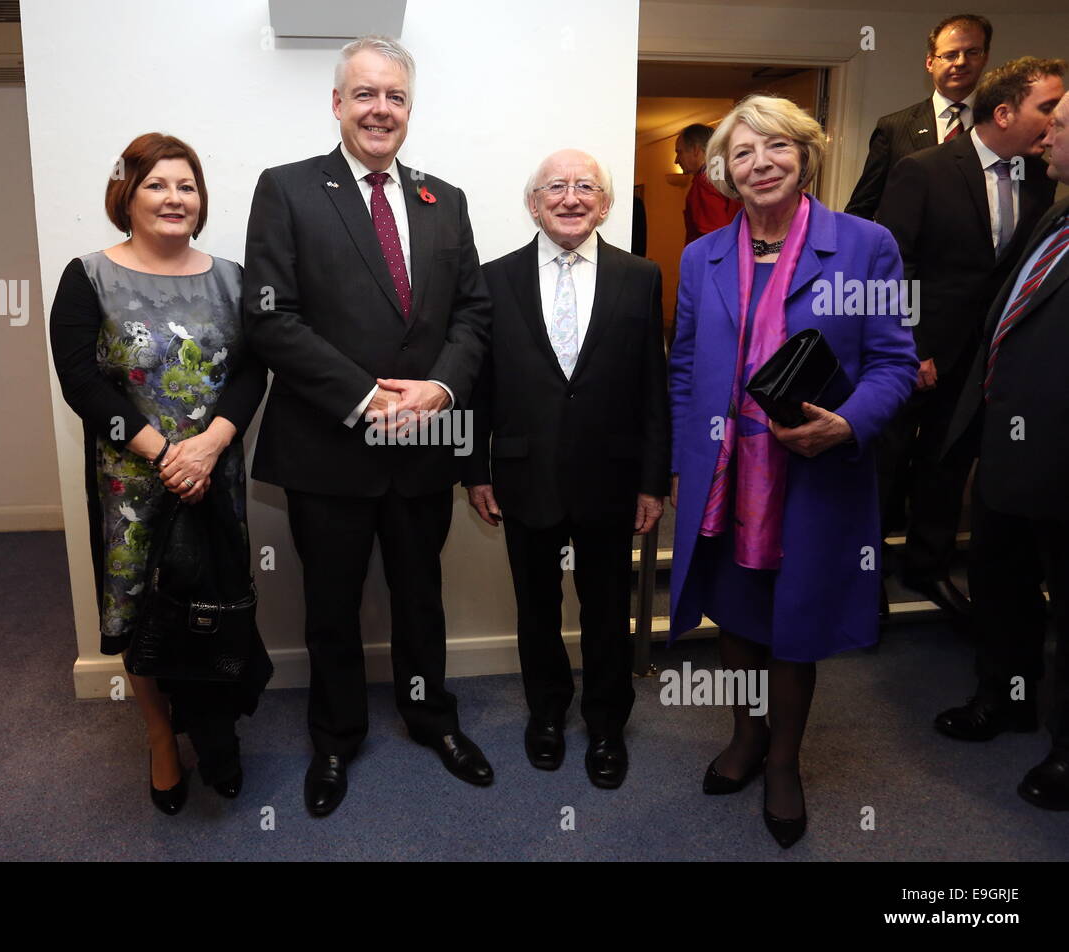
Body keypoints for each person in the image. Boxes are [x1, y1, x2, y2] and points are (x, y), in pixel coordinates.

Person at [242, 35, 494, 818]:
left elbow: (473, 314)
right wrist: (367, 397)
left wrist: (441, 391)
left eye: (395, 97)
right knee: (330, 606)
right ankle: (336, 737)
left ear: (409, 110)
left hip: (423, 443)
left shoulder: (443, 199)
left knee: (423, 595)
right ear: (338, 104)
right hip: (330, 444)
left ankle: (430, 718)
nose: (380, 109)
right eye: (366, 94)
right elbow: (270, 319)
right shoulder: (286, 189)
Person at [667, 95, 917, 847]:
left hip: (813, 473)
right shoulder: (699, 255)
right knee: (736, 616)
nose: (760, 163)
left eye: (775, 146)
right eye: (742, 154)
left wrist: (848, 423)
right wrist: (685, 462)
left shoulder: (869, 244)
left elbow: (894, 363)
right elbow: (684, 367)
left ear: (804, 154)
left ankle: (783, 760)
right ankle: (745, 737)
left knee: (794, 621)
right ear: (725, 172)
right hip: (726, 475)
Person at [50, 133, 270, 815]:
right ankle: (159, 738)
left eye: (187, 186)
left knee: (211, 604)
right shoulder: (88, 276)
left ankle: (216, 732)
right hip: (133, 488)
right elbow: (82, 382)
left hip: (215, 477)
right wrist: (165, 453)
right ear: (127, 195)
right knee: (143, 612)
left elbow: (253, 371)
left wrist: (208, 447)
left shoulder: (234, 279)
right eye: (157, 185)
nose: (175, 198)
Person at [464, 150, 669, 789]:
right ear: (534, 203)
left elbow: (652, 387)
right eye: (556, 186)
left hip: (611, 478)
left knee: (608, 610)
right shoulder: (493, 279)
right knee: (536, 608)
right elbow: (476, 387)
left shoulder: (641, 277)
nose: (571, 197)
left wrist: (652, 480)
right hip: (523, 476)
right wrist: (475, 471)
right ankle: (547, 713)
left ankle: (607, 724)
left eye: (586, 187)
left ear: (605, 205)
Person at [876, 57, 1063, 620]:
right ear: (1005, 113)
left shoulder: (1041, 179)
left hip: (982, 356)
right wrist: (912, 345)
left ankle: (927, 567)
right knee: (886, 461)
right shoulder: (924, 168)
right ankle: (864, 575)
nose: (1053, 123)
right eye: (1048, 108)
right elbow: (890, 263)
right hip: (915, 352)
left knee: (948, 460)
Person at [934, 90, 1069, 810]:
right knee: (1003, 589)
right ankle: (1006, 698)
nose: (1047, 135)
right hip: (1009, 455)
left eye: (1061, 124)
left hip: (1060, 464)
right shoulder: (1056, 213)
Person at [845, 14, 992, 220]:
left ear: (985, 58)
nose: (961, 62)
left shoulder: (1000, 125)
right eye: (950, 54)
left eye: (972, 52)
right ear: (930, 62)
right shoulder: (894, 128)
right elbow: (861, 209)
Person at [676, 123, 742, 244]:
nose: (676, 160)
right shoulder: (729, 175)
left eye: (679, 152)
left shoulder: (705, 182)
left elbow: (715, 235)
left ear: (696, 150)